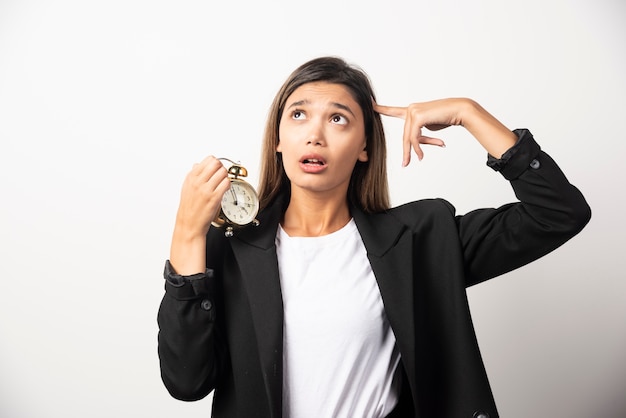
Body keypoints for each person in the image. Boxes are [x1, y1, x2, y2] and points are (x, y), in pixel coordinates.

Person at [157, 56, 591, 418]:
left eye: (338, 119)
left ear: (364, 145)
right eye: (299, 114)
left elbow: (558, 214)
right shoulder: (229, 248)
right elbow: (187, 382)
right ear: (278, 140)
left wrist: (467, 112)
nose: (315, 133)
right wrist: (186, 232)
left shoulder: (420, 239)